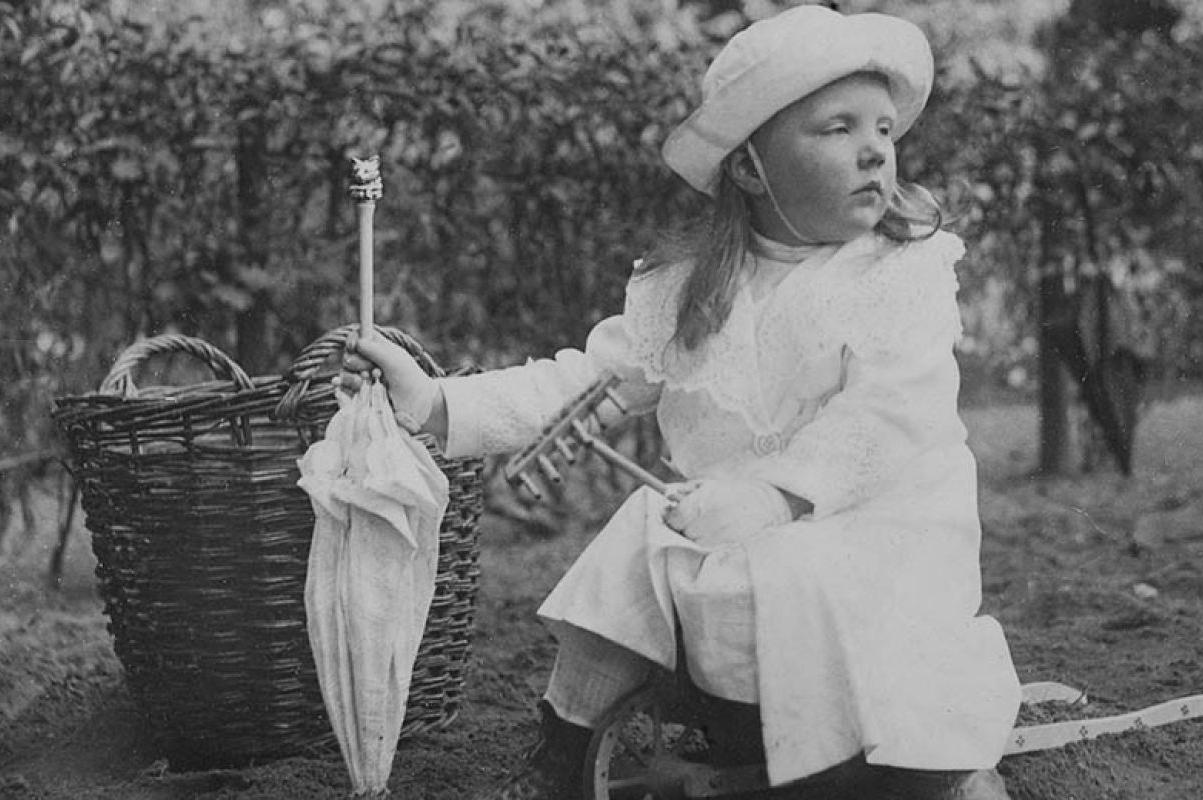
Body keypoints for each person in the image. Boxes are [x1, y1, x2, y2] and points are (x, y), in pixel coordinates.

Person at [339, 6, 1020, 798]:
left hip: (873, 532)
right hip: (724, 527)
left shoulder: (899, 275)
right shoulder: (692, 289)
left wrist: (773, 496)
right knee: (640, 534)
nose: (875, 150)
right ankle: (563, 746)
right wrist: (437, 405)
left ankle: (860, 764)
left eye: (882, 130)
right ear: (749, 168)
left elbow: (890, 416)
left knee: (805, 566)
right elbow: (580, 386)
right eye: (836, 129)